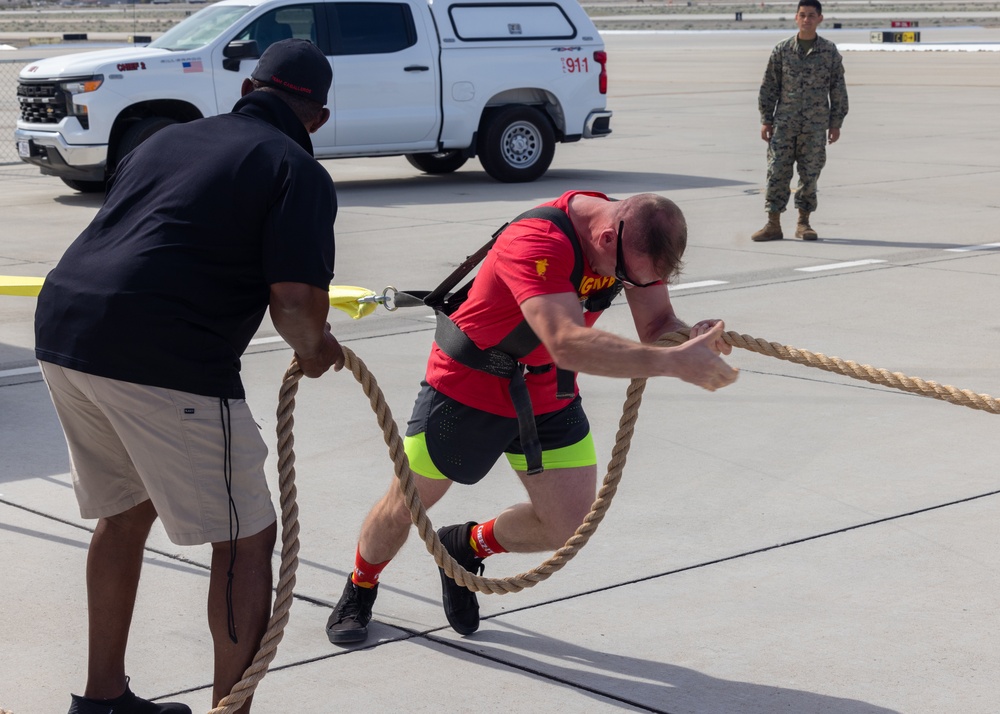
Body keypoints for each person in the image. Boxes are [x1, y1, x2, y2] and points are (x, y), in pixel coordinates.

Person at [34, 39, 344, 714]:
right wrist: (316, 349)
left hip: (64, 330)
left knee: (124, 514)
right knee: (245, 537)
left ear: (247, 90)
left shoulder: (167, 140)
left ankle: (102, 700)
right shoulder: (295, 168)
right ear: (316, 117)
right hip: (165, 356)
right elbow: (293, 301)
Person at [325, 191, 739, 645]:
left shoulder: (633, 242)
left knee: (568, 524)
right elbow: (565, 339)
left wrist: (687, 339)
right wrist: (674, 363)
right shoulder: (539, 241)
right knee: (404, 505)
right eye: (625, 276)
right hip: (470, 387)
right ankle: (360, 587)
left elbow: (658, 325)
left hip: (548, 393)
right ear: (606, 236)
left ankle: (463, 546)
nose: (625, 283)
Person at [752, 0, 848, 242]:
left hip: (815, 127)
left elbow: (838, 89)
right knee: (776, 173)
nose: (807, 19)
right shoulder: (782, 50)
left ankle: (803, 224)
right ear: (796, 18)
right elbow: (769, 86)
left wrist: (836, 123)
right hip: (784, 125)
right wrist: (766, 119)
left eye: (811, 15)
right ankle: (773, 223)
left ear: (820, 19)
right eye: (802, 15)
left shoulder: (829, 51)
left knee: (810, 175)